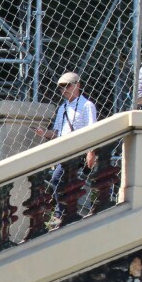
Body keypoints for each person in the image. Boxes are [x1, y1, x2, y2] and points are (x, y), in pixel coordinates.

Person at [35, 72, 98, 219]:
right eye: (61, 87)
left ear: (77, 85)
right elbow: (57, 132)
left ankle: (62, 213)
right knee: (62, 181)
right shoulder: (63, 107)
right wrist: (44, 133)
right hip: (64, 151)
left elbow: (93, 130)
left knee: (63, 180)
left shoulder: (87, 105)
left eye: (67, 85)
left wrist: (91, 152)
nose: (64, 89)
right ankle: (64, 212)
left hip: (78, 151)